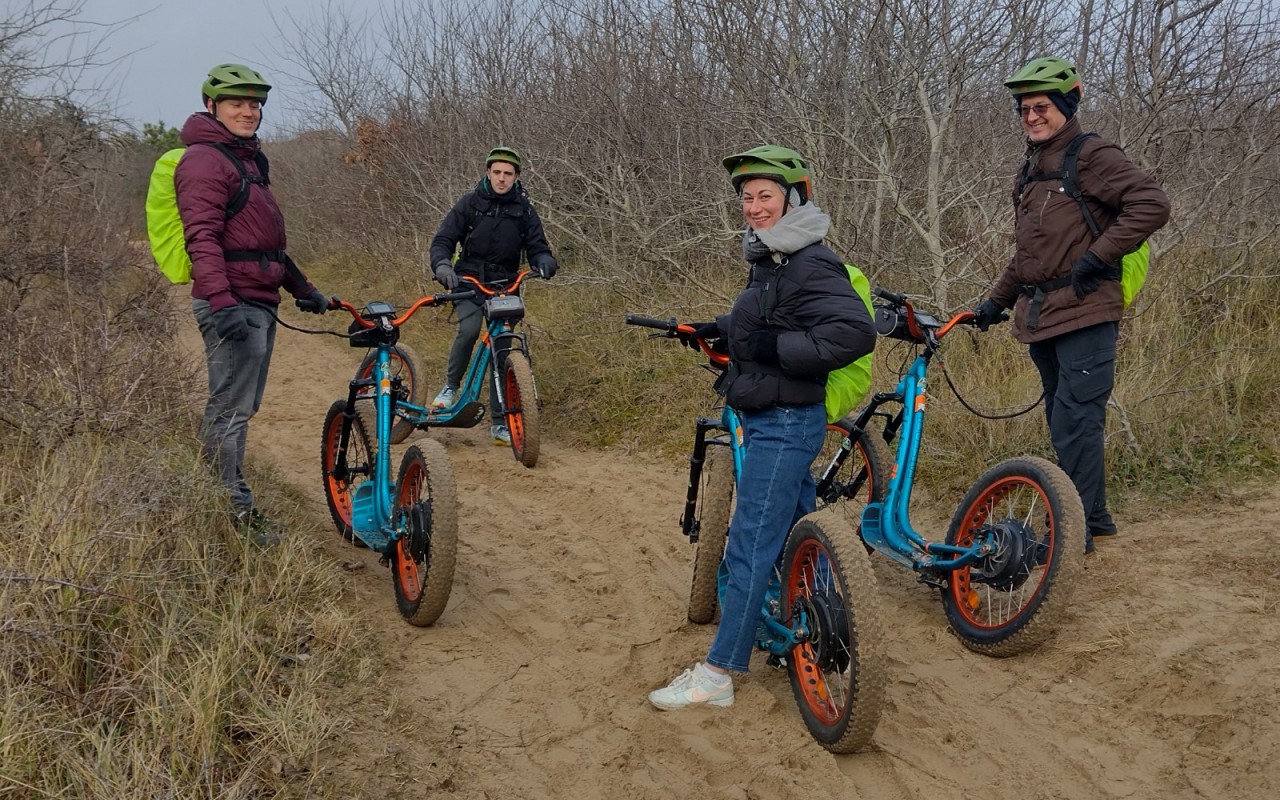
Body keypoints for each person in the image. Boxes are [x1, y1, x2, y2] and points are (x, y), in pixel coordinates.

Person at [647, 145, 876, 710]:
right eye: (747, 198)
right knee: (799, 533)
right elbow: (771, 316)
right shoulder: (775, 257)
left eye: (765, 196)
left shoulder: (810, 261)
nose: (753, 206)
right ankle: (820, 630)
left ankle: (720, 672)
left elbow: (854, 333)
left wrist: (775, 348)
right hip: (779, 416)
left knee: (750, 544)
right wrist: (717, 327)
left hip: (783, 422)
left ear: (794, 199)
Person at [972, 56, 1170, 554]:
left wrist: (1098, 256)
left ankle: (1070, 535)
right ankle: (1094, 518)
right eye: (1024, 110)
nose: (1032, 117)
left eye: (1041, 107)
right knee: (1067, 423)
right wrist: (995, 303)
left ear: (1066, 105)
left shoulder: (1091, 155)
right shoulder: (1032, 169)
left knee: (1075, 422)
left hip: (1086, 311)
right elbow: (1030, 256)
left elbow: (1152, 204)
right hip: (1042, 316)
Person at [177, 63, 331, 544]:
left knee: (239, 406)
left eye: (255, 103)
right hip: (234, 303)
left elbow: (263, 244)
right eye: (237, 102)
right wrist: (221, 302)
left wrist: (302, 289)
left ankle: (223, 498)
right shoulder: (206, 160)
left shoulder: (244, 161)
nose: (249, 111)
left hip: (254, 300)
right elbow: (200, 237)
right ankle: (233, 513)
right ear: (212, 106)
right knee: (230, 408)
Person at [428, 147, 558, 445]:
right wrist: (443, 265)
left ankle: (501, 422)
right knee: (470, 329)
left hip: (505, 286)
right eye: (497, 172)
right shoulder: (470, 203)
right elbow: (443, 241)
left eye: (508, 174)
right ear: (488, 173)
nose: (501, 179)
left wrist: (545, 262)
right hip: (468, 280)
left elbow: (538, 246)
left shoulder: (524, 210)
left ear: (517, 177)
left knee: (502, 347)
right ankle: (450, 387)